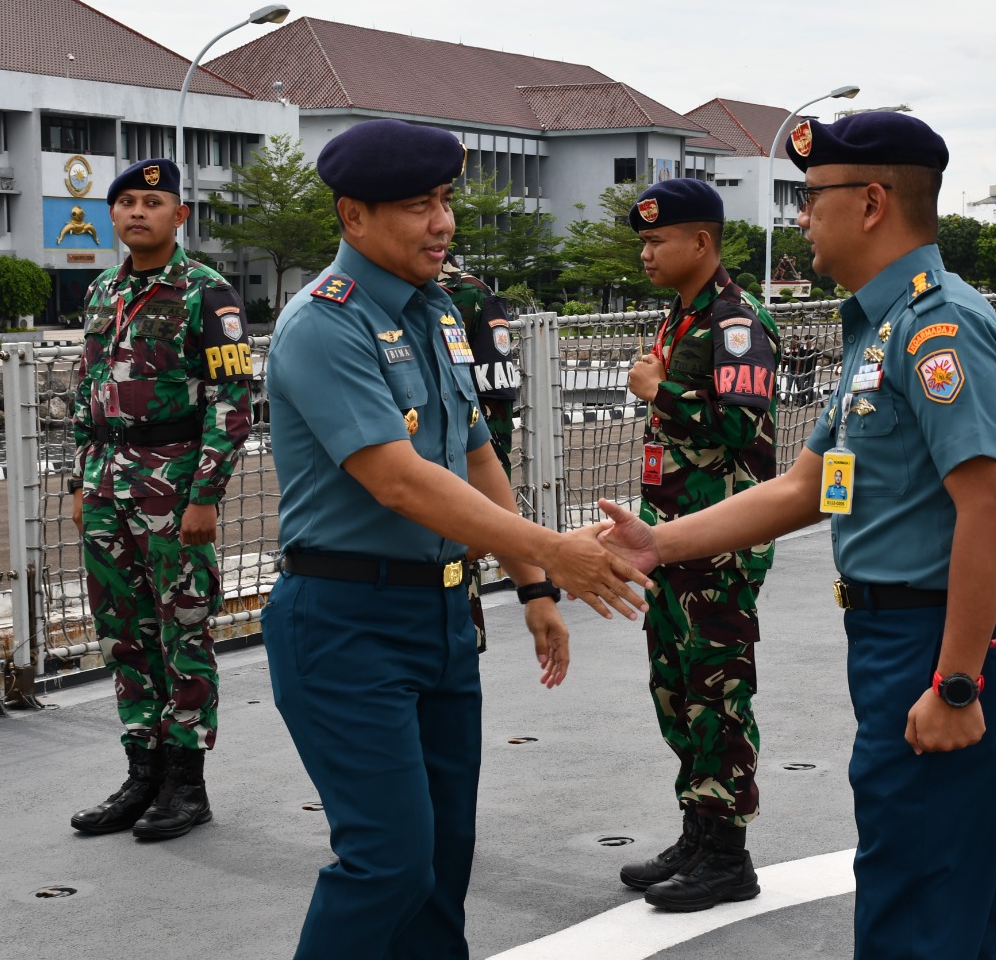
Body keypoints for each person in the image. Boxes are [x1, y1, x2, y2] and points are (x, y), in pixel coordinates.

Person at [597, 111, 996, 959]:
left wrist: (956, 683)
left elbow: (990, 507)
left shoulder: (938, 326)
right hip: (893, 634)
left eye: (812, 197)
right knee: (933, 898)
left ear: (871, 202)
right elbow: (807, 488)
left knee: (917, 905)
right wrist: (659, 544)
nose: (800, 217)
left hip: (939, 639)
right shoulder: (875, 331)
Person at [260, 119, 651, 960]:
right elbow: (398, 478)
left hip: (438, 621)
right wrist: (554, 548)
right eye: (416, 205)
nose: (442, 222)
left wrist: (533, 586)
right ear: (352, 216)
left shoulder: (437, 310)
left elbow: (476, 454)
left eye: (444, 201)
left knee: (443, 861)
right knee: (387, 864)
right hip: (344, 622)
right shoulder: (325, 324)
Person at [68, 158, 253, 841]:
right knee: (124, 634)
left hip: (172, 486)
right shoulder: (102, 291)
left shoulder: (207, 292)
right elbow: (88, 392)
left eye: (153, 201)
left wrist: (204, 496)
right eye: (126, 202)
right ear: (111, 217)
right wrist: (80, 481)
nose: (137, 211)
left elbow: (233, 402)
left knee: (183, 632)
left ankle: (185, 785)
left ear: (180, 216)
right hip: (106, 486)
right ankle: (139, 774)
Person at [617, 178, 780, 912]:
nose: (646, 253)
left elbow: (745, 430)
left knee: (718, 695)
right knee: (676, 691)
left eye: (658, 241)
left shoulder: (735, 322)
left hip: (719, 545)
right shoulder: (681, 317)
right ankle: (697, 825)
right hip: (671, 540)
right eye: (644, 242)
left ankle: (728, 853)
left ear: (702, 244)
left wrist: (660, 392)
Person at [437, 253, 521, 653]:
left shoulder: (470, 295)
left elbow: (494, 408)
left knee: (454, 652)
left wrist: (488, 512)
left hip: (453, 494)